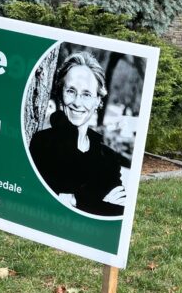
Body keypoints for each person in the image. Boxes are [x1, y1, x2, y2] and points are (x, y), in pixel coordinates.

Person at [29, 50, 128, 216]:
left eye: (87, 94)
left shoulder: (109, 159)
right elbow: (45, 204)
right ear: (61, 93)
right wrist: (98, 201)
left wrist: (74, 199)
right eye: (70, 91)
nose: (77, 102)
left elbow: (118, 211)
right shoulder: (42, 144)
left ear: (98, 100)